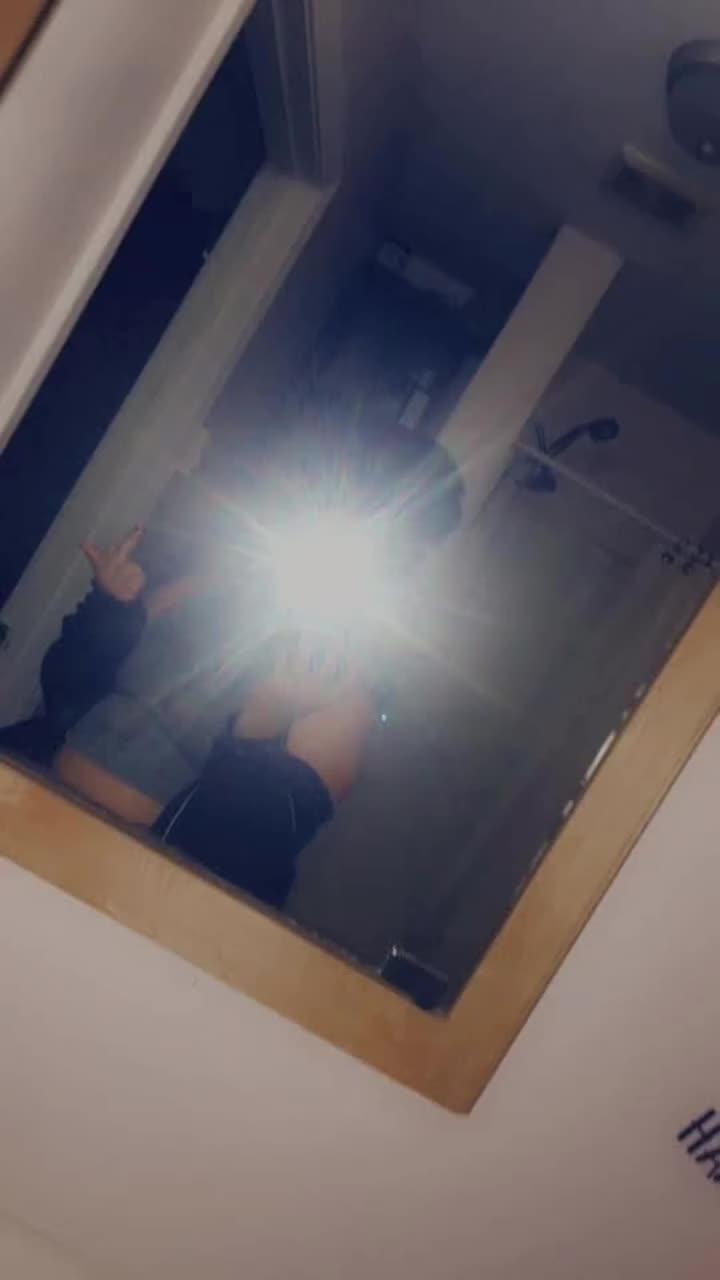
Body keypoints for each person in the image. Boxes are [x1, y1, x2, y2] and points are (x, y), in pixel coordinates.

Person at [0, 425, 462, 908]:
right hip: (21, 793)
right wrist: (110, 609)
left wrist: (262, 724)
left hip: (101, 889)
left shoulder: (340, 689)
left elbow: (235, 867)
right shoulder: (215, 582)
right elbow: (65, 690)